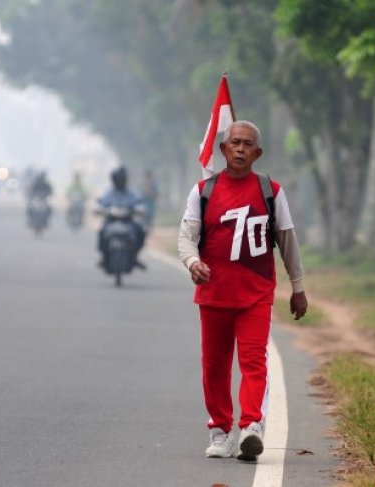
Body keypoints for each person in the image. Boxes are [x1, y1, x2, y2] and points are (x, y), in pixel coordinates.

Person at [178, 120, 308, 462]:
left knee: (253, 362)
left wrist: (298, 287)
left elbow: (287, 241)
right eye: (234, 142)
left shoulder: (271, 191)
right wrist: (193, 263)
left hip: (256, 295)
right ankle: (220, 431)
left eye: (247, 144)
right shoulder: (203, 191)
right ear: (223, 148)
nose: (239, 148)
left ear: (258, 153)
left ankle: (251, 426)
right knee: (215, 366)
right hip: (214, 295)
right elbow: (186, 237)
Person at [96, 167, 146, 269]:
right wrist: (98, 209)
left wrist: (139, 209)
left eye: (121, 180)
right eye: (117, 180)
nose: (119, 182)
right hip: (111, 220)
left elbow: (139, 202)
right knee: (101, 232)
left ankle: (135, 256)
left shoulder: (132, 192)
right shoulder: (108, 192)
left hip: (128, 221)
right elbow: (101, 203)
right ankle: (104, 257)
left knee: (141, 231)